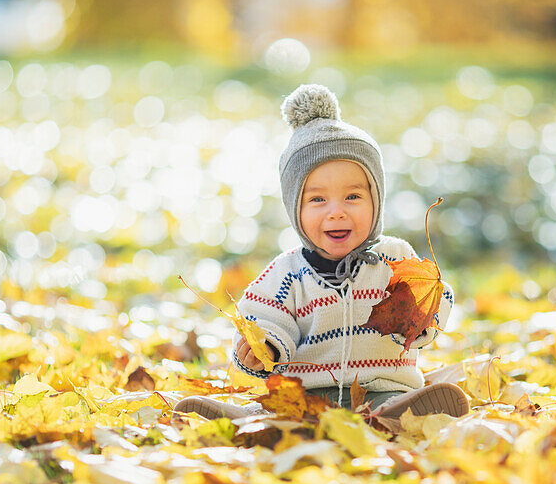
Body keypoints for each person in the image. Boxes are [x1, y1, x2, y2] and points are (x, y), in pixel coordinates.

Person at [174, 84, 469, 421]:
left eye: (353, 197)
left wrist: (423, 315)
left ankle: (399, 414)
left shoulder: (394, 258)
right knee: (279, 408)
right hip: (307, 394)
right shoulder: (286, 274)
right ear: (294, 209)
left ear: (377, 200)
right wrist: (265, 348)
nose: (336, 212)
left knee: (390, 403)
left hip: (382, 387)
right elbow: (263, 320)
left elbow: (430, 316)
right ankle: (248, 419)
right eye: (317, 200)